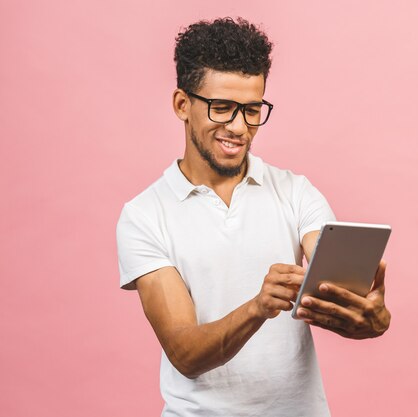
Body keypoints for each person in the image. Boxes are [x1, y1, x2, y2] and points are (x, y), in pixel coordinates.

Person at [116, 17, 391, 417]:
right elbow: (184, 352)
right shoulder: (144, 216)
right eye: (222, 108)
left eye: (251, 109)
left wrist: (373, 316)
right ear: (181, 105)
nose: (239, 127)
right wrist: (258, 307)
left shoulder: (295, 192)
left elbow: (337, 290)